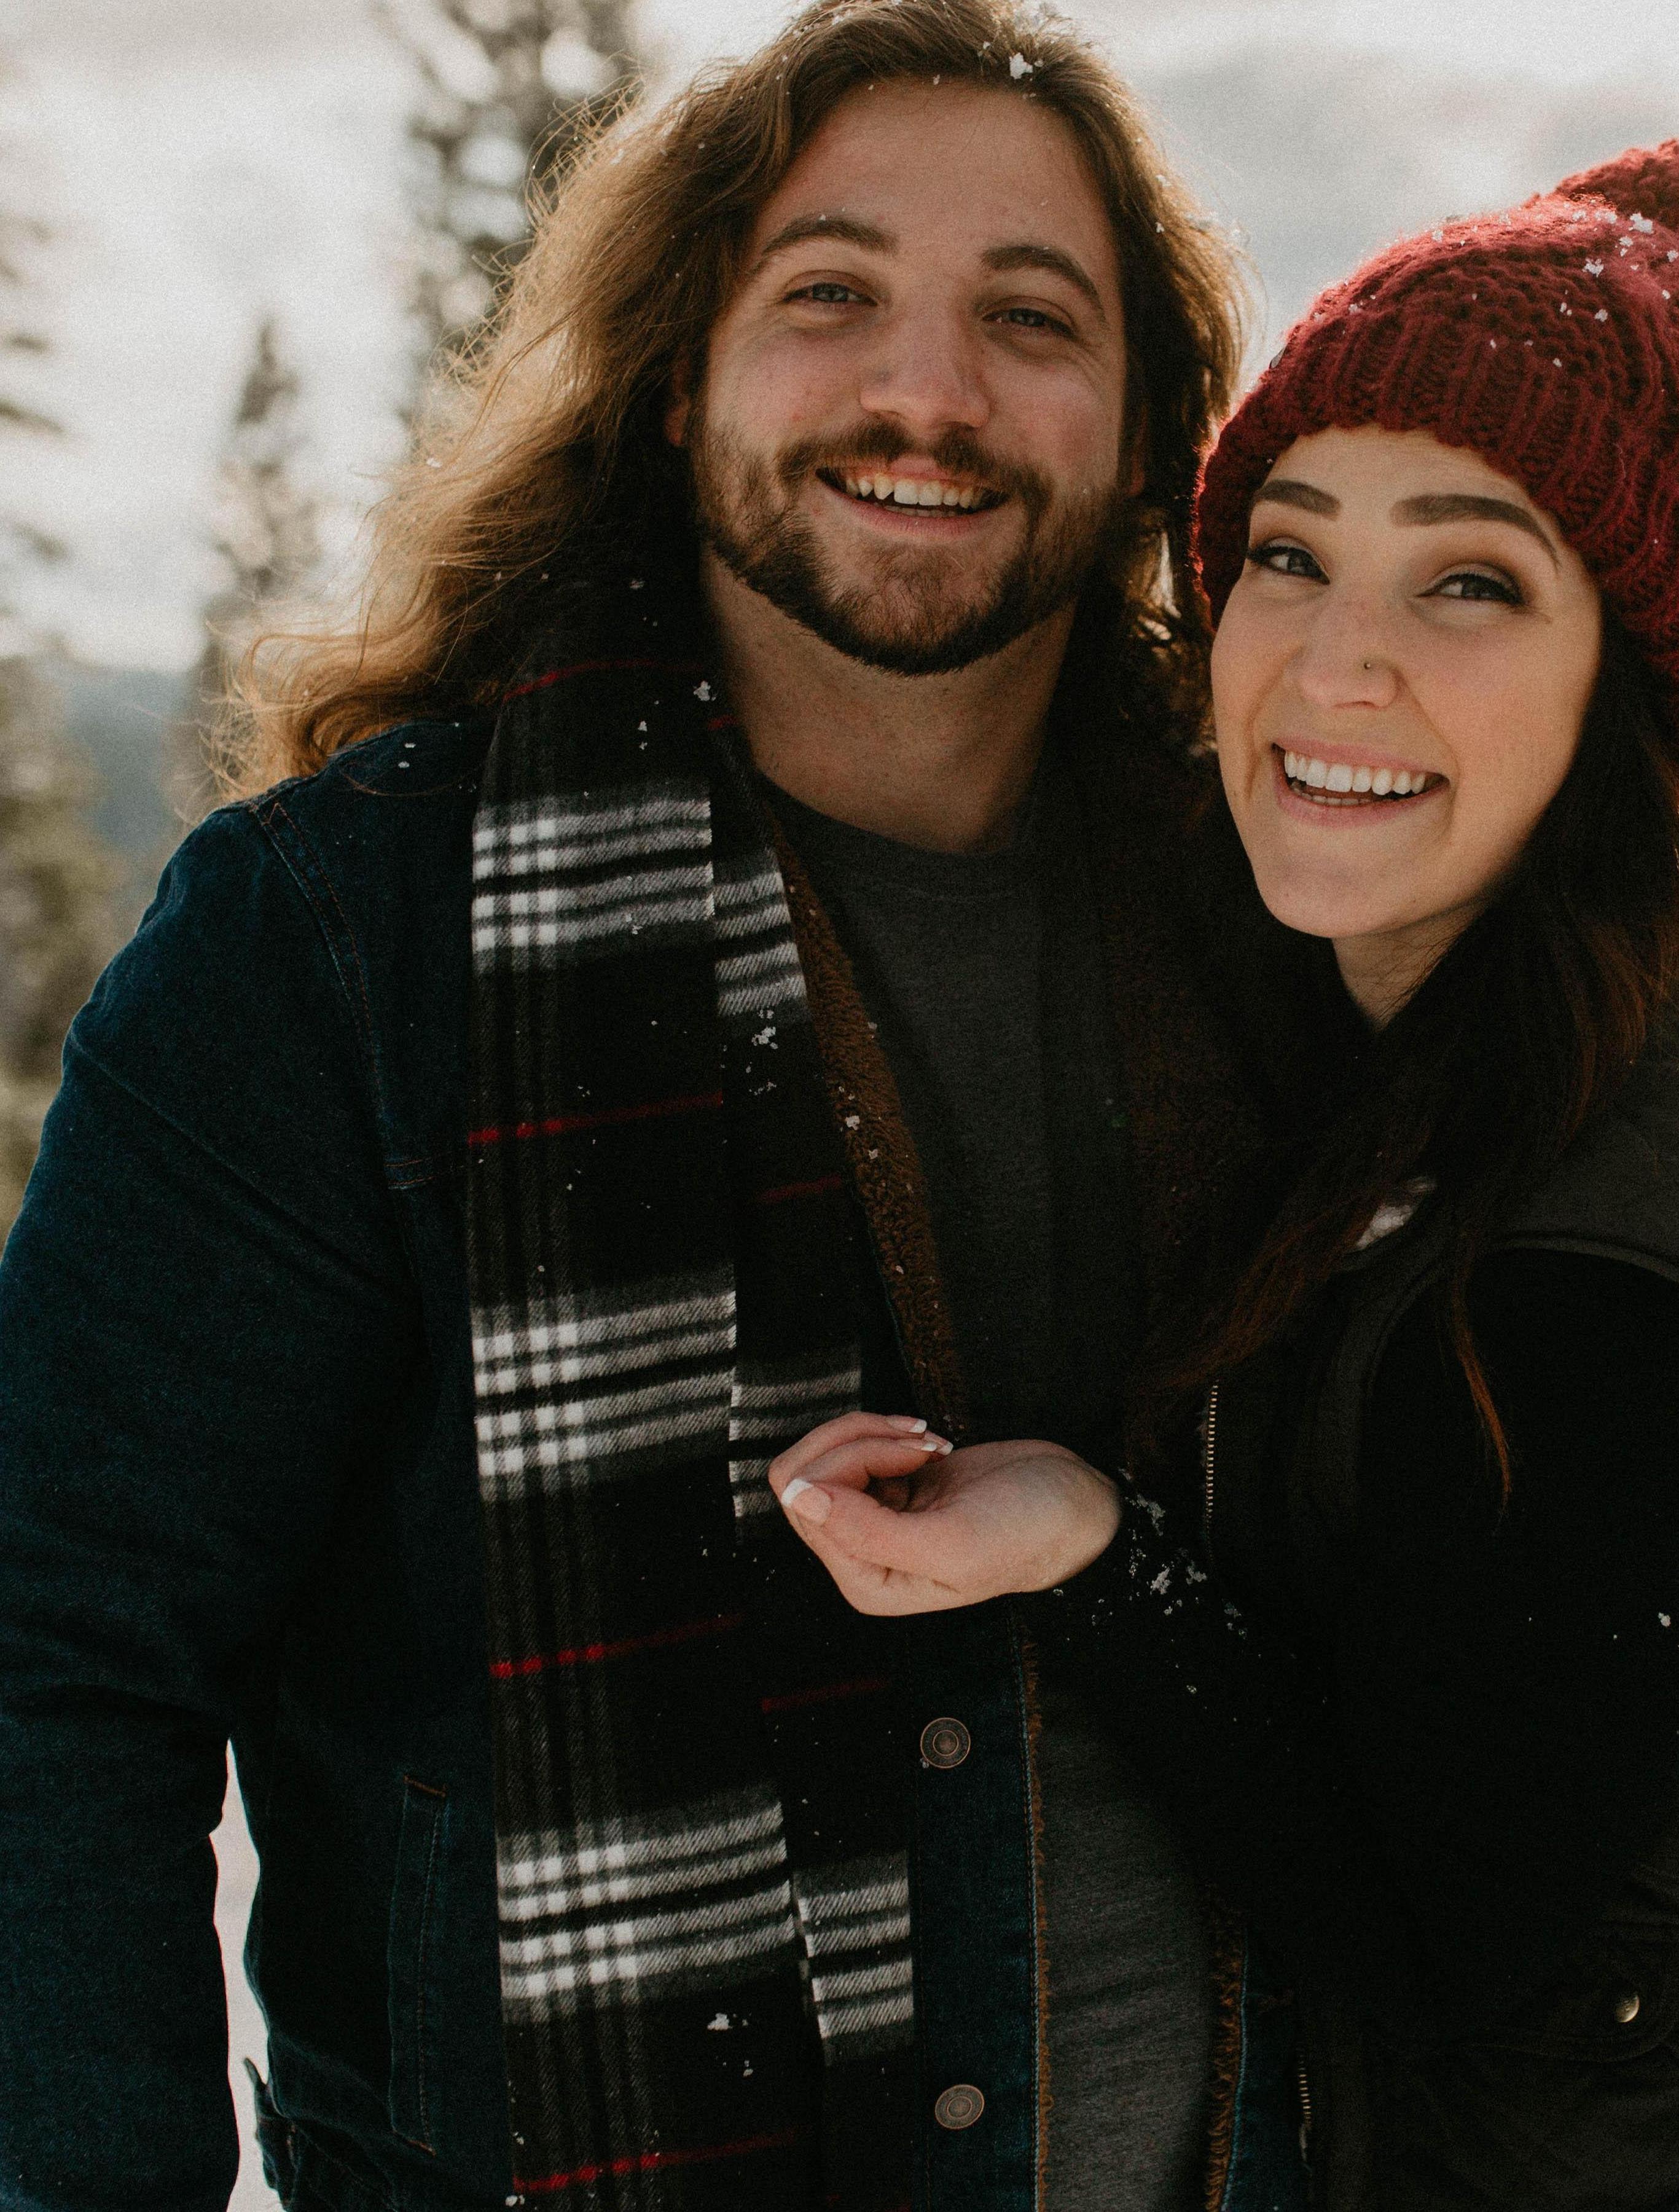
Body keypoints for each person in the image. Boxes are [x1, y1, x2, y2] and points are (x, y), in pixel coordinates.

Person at [762, 141, 1679, 2209]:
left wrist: (1093, 1556)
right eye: (1286, 552)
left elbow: (1432, 1938)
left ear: (1627, 676)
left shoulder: (1580, 1274)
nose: (1337, 662)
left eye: (1469, 580)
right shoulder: (1648, 989)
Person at [0, 4, 1320, 2207]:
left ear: (1158, 420)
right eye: (829, 295)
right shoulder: (343, 941)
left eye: (1033, 316)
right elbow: (55, 1648)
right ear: (671, 363)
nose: (930, 390)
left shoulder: (1303, 920)